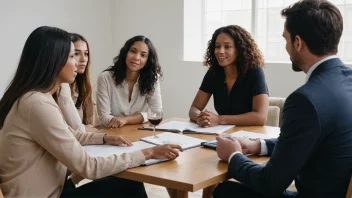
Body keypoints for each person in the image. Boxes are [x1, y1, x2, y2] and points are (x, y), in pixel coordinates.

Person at [0, 26, 183, 198]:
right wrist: (148, 153)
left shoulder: (35, 97)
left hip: (56, 188)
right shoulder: (37, 104)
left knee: (124, 182)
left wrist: (104, 138)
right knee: (130, 186)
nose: (80, 63)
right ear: (54, 60)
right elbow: (89, 167)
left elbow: (70, 135)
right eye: (73, 56)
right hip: (48, 195)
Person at [214, 0, 352, 198]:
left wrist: (234, 155)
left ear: (298, 42)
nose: (286, 48)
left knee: (226, 191)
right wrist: (258, 145)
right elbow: (305, 141)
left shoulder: (305, 100)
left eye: (285, 40)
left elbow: (270, 183)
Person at [189, 25, 268, 127]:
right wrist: (202, 117)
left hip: (249, 136)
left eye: (227, 46)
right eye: (217, 46)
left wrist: (219, 119)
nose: (220, 51)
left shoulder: (255, 72)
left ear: (239, 50)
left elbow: (260, 118)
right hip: (222, 134)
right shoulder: (214, 72)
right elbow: (194, 109)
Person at [96, 35, 162, 128]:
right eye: (133, 51)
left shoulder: (152, 78)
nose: (136, 57)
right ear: (125, 52)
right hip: (111, 132)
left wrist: (126, 120)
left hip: (138, 132)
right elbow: (104, 117)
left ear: (147, 61)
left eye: (143, 55)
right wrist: (141, 117)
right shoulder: (105, 78)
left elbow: (156, 113)